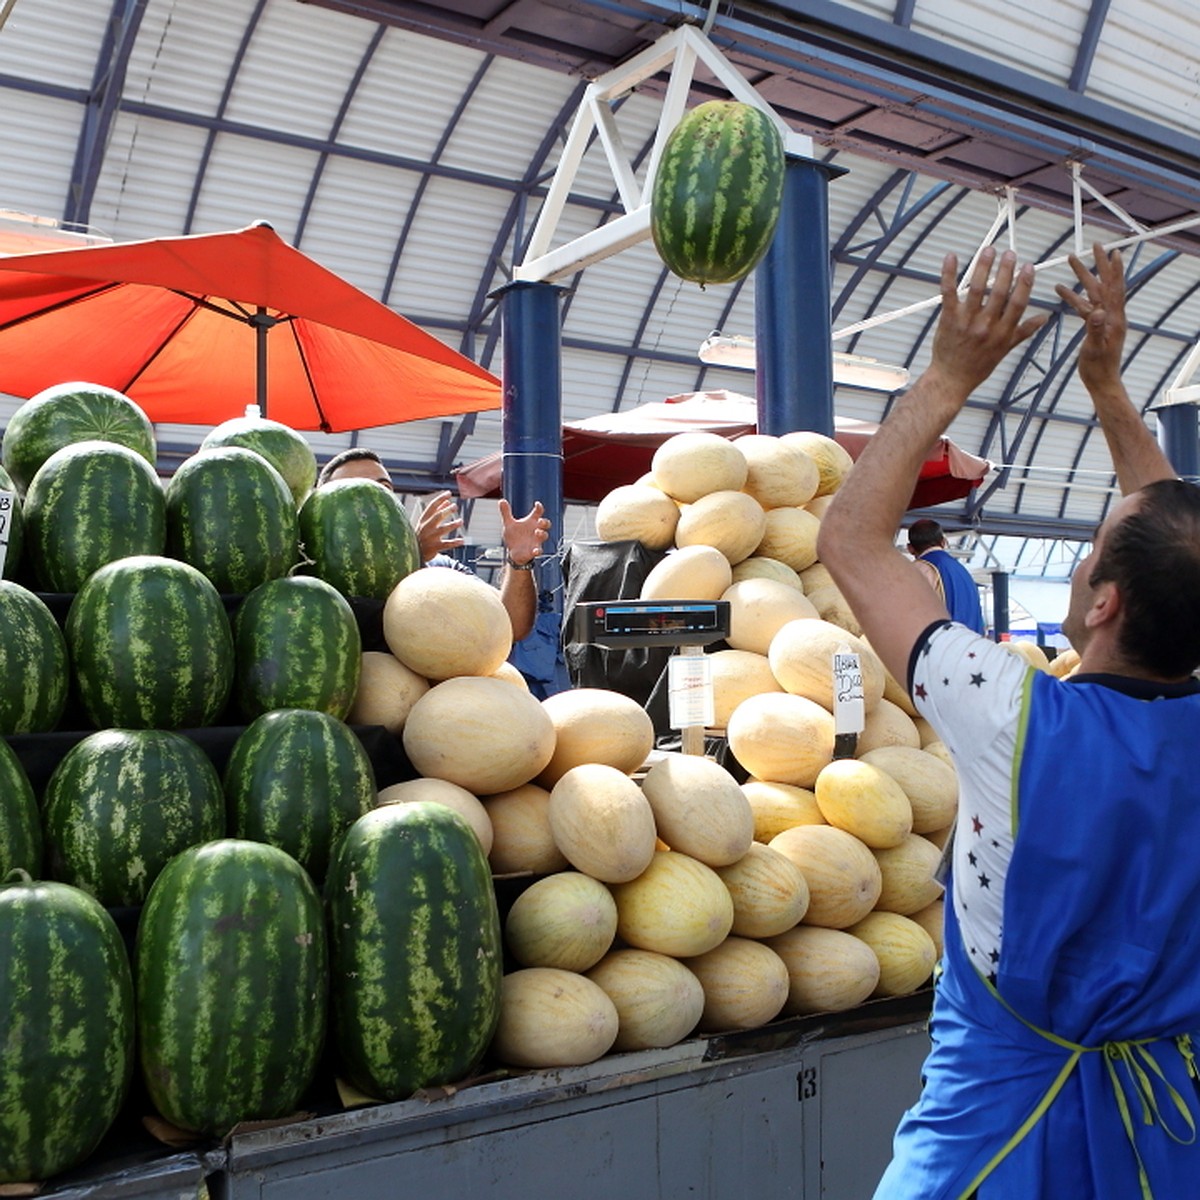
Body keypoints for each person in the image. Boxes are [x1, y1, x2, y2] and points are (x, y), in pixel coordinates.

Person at [817, 243, 1200, 1200]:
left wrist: (949, 372)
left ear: (1104, 604)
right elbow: (1173, 531)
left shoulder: (1011, 715)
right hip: (1166, 1140)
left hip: (991, 1142)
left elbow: (852, 540)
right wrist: (1107, 384)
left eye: (1093, 555)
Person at [317, 447, 549, 643]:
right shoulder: (312, 573)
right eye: (351, 490)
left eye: (383, 488)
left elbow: (510, 625)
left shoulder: (441, 568)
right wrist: (413, 555)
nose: (370, 498)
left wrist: (518, 561)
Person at [906, 517, 986, 634]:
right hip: (972, 645)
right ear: (943, 542)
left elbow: (907, 615)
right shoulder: (963, 571)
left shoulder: (917, 570)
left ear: (910, 548)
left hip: (942, 646)